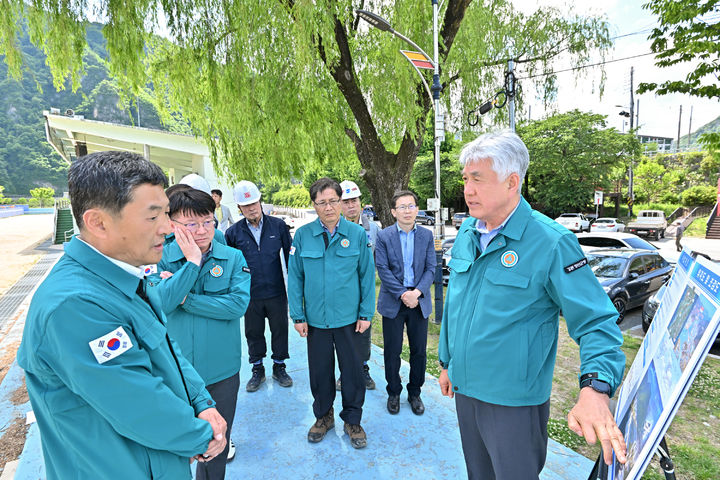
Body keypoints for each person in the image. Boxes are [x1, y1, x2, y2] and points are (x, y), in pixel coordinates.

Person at [17, 151, 227, 480]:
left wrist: (201, 401)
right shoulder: (74, 306)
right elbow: (138, 404)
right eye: (153, 216)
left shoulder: (126, 277)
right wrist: (202, 437)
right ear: (98, 222)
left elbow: (165, 348)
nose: (168, 229)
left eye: (167, 215)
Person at [438, 131, 627, 479]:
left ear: (512, 182)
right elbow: (457, 304)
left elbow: (597, 322)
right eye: (466, 179)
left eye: (478, 179)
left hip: (513, 402)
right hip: (466, 391)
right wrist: (447, 361)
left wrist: (596, 389)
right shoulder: (468, 231)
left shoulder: (551, 242)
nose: (468, 190)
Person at [154, 188, 251, 478]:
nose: (201, 230)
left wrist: (189, 299)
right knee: (174, 449)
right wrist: (192, 263)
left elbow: (236, 305)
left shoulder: (232, 258)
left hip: (222, 370)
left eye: (207, 221)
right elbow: (161, 302)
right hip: (175, 372)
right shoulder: (159, 256)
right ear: (172, 224)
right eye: (191, 224)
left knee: (216, 446)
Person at [288, 177, 375, 449]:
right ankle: (323, 417)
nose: (328, 207)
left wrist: (365, 313)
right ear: (314, 205)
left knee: (352, 372)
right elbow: (295, 278)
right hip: (316, 321)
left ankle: (353, 420)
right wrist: (298, 316)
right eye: (322, 202)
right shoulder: (302, 236)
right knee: (320, 372)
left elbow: (366, 278)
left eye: (333, 201)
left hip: (350, 320)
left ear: (341, 201)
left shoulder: (357, 235)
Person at [225, 180, 294, 392]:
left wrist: (295, 287)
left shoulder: (278, 226)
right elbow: (230, 266)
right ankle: (258, 369)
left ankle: (279, 367)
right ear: (239, 208)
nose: (251, 208)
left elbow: (291, 258)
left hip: (276, 291)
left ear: (260, 202)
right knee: (253, 332)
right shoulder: (233, 233)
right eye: (246, 206)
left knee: (280, 330)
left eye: (254, 203)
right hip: (250, 294)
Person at [375, 190, 435, 416]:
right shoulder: (384, 236)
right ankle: (394, 391)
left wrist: (417, 292)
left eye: (411, 206)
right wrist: (403, 293)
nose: (407, 210)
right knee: (392, 350)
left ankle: (414, 392)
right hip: (394, 300)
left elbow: (431, 268)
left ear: (417, 209)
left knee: (419, 350)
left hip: (419, 301)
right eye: (402, 207)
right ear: (393, 211)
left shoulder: (427, 236)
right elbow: (383, 269)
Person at [338, 179, 379, 390]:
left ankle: (363, 368)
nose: (350, 206)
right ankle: (344, 372)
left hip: (364, 289)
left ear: (360, 202)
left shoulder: (373, 229)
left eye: (354, 200)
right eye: (345, 202)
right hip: (342, 290)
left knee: (363, 330)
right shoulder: (335, 229)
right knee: (343, 332)